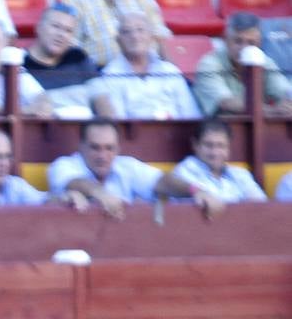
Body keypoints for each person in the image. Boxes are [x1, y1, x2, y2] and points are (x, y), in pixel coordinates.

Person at [47, 118, 224, 219]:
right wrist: (99, 193)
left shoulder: (127, 166)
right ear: (81, 147)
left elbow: (162, 181)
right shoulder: (63, 165)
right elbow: (74, 182)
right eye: (95, 147)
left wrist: (195, 190)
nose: (103, 155)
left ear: (118, 148)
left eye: (109, 148)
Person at [89, 13, 198, 120]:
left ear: (151, 37)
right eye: (127, 32)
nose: (135, 36)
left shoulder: (170, 70)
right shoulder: (110, 75)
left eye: (140, 30)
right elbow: (119, 124)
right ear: (118, 40)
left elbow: (191, 114)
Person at [0, 127, 91, 207]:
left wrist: (65, 198)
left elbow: (43, 202)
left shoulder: (14, 185)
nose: (3, 163)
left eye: (7, 156)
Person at [193, 12, 292, 118]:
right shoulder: (209, 63)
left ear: (259, 44)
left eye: (251, 43)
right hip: (217, 130)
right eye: (238, 41)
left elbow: (286, 92)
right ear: (225, 40)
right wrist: (270, 111)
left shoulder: (264, 61)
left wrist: (287, 106)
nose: (244, 48)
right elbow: (226, 102)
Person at [23, 3, 103, 115]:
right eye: (56, 26)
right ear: (39, 27)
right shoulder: (20, 64)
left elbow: (101, 96)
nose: (61, 35)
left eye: (68, 31)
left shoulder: (78, 57)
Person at [170, 119, 266, 203]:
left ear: (228, 148)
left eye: (221, 146)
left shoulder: (240, 174)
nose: (215, 153)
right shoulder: (184, 173)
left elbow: (260, 207)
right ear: (195, 145)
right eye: (208, 145)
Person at [56, 0, 169, 68]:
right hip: (100, 74)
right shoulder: (74, 1)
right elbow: (71, 48)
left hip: (150, 71)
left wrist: (173, 74)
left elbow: (160, 39)